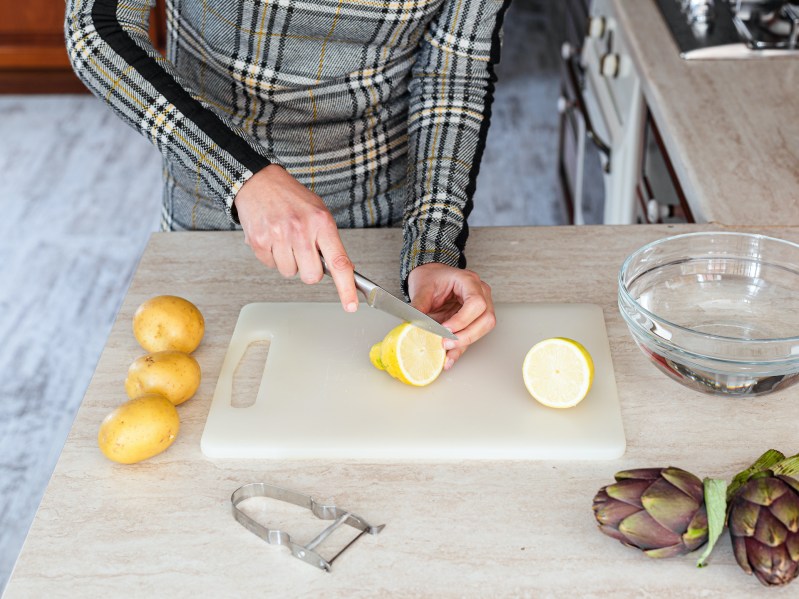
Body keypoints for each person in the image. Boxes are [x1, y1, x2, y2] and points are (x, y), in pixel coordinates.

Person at [65, 0, 507, 369]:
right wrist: (240, 175)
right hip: (212, 204)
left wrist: (432, 248)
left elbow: (454, 75)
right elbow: (98, 27)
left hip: (380, 227)